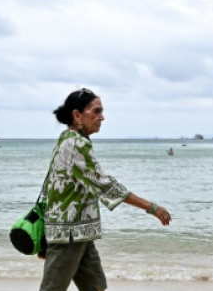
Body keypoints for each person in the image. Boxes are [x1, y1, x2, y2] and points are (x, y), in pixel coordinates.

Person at [39, 87, 171, 291]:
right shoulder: (75, 144)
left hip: (82, 231)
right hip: (68, 234)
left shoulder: (69, 139)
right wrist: (151, 207)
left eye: (102, 111)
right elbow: (106, 185)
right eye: (96, 111)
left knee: (96, 287)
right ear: (77, 115)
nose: (102, 117)